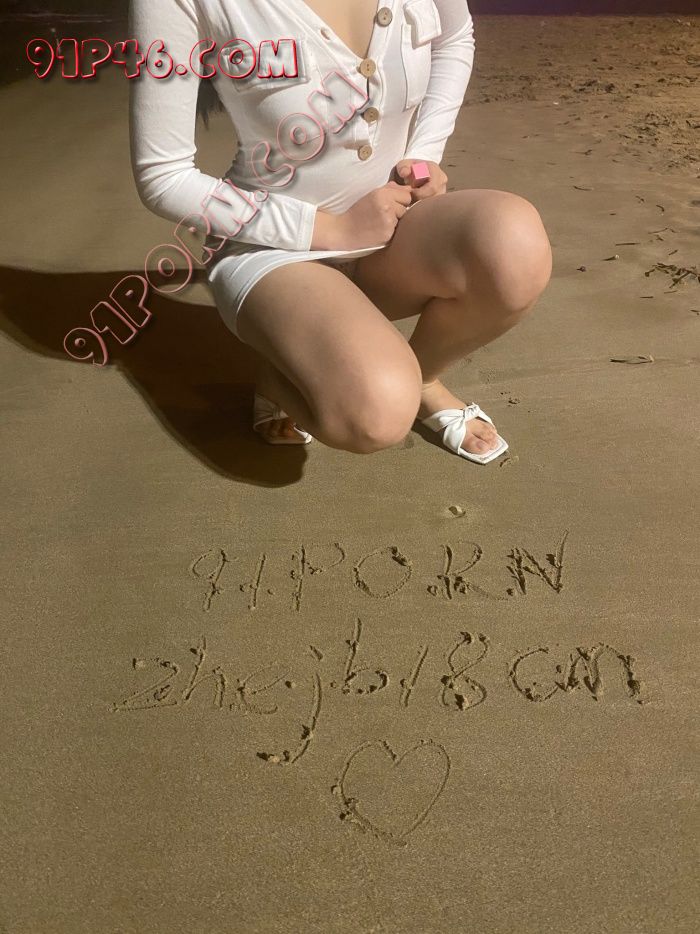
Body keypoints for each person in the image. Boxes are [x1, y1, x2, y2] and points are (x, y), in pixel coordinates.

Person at [129, 0, 552, 463]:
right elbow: (164, 177)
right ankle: (282, 377)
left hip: (392, 224)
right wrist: (328, 228)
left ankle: (422, 377)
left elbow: (454, 38)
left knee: (513, 246)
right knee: (374, 414)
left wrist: (424, 151)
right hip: (270, 247)